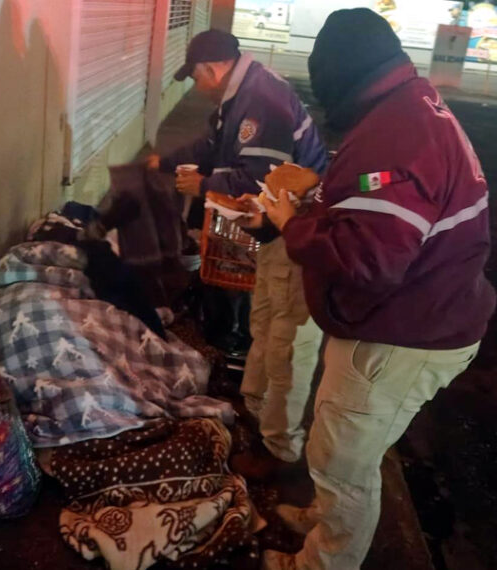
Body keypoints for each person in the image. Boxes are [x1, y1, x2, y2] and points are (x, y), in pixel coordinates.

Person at [258, 9, 496, 570]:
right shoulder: (411, 105)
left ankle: (324, 562)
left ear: (341, 78)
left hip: (404, 332)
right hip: (427, 314)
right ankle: (324, 522)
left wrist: (293, 220)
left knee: (343, 461)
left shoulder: (393, 134)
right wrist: (323, 188)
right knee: (339, 446)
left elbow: (369, 259)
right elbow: (392, 208)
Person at [148, 29, 328, 476]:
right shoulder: (241, 95)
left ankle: (281, 449)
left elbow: (263, 177)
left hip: (294, 230)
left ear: (210, 70)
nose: (197, 87)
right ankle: (258, 409)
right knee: (265, 319)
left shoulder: (259, 101)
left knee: (285, 338)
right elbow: (213, 145)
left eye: (195, 79)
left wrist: (205, 185)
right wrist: (167, 161)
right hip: (272, 230)